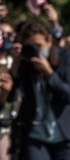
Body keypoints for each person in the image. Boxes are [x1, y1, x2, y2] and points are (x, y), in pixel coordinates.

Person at [10, 19, 70, 160]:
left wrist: (49, 74)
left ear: (49, 41)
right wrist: (15, 66)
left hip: (64, 135)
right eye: (30, 47)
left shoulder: (65, 59)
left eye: (38, 45)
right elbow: (11, 97)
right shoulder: (25, 64)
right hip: (35, 136)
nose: (35, 51)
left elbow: (68, 94)